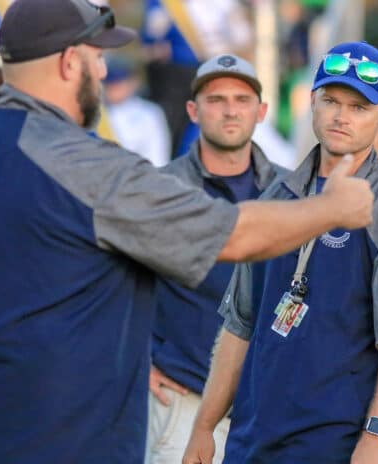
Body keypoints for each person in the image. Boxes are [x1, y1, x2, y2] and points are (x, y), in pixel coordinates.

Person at [0, 1, 376, 462]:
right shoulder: (84, 166)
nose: (103, 71)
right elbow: (232, 234)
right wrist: (332, 208)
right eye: (97, 56)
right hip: (57, 445)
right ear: (68, 62)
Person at [183, 41, 378, 464]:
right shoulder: (276, 195)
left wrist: (377, 436)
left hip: (337, 442)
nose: (341, 116)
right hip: (252, 438)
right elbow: (240, 324)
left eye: (359, 107)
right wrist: (203, 426)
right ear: (311, 101)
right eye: (330, 101)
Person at [145, 53, 285, 463]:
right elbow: (113, 281)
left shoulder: (291, 193)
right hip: (184, 402)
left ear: (261, 111)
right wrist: (137, 361)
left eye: (242, 100)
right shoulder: (159, 191)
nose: (229, 110)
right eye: (216, 99)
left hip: (269, 410)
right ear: (192, 110)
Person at [141, 0, 253, 157]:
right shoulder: (167, 4)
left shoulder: (226, 4)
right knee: (172, 129)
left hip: (216, 72)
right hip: (177, 75)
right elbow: (152, 33)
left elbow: (242, 37)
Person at [104, 56, 172, 167]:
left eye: (119, 83)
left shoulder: (149, 113)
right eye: (111, 84)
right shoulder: (96, 113)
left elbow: (158, 156)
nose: (114, 88)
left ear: (133, 82)